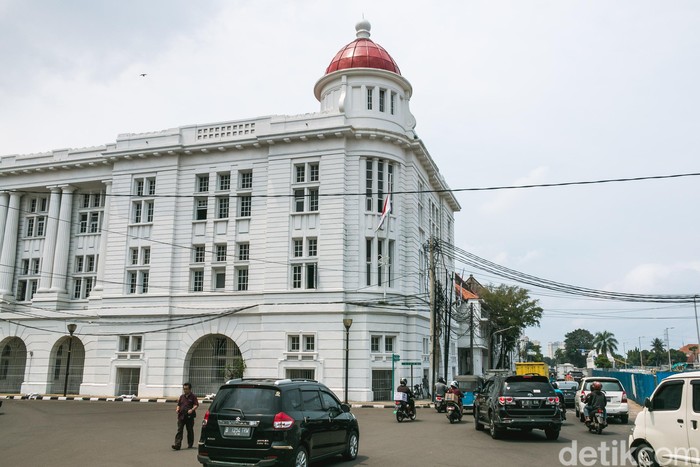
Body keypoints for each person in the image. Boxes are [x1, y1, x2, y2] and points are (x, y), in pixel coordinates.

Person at [172, 382, 199, 450]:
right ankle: (177, 445)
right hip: (181, 416)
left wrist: (192, 410)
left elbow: (196, 405)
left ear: (190, 389)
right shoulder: (182, 397)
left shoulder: (193, 397)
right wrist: (177, 409)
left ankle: (190, 444)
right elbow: (179, 404)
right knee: (179, 430)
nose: (185, 390)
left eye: (186, 389)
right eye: (184, 389)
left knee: (189, 430)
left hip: (189, 416)